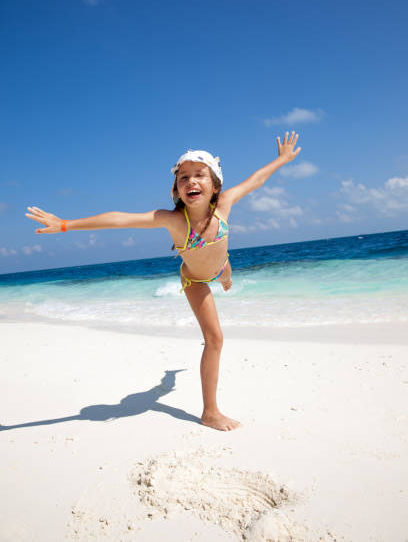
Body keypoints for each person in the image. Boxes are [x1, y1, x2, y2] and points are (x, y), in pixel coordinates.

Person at [26, 131, 301, 431]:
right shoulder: (172, 220)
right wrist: (65, 224)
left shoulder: (224, 205)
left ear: (215, 185)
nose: (191, 181)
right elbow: (120, 219)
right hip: (193, 279)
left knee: (226, 274)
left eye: (200, 175)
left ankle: (225, 282)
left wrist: (282, 159)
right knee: (215, 339)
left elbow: (255, 180)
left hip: (221, 264)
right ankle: (210, 412)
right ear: (176, 188)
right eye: (183, 178)